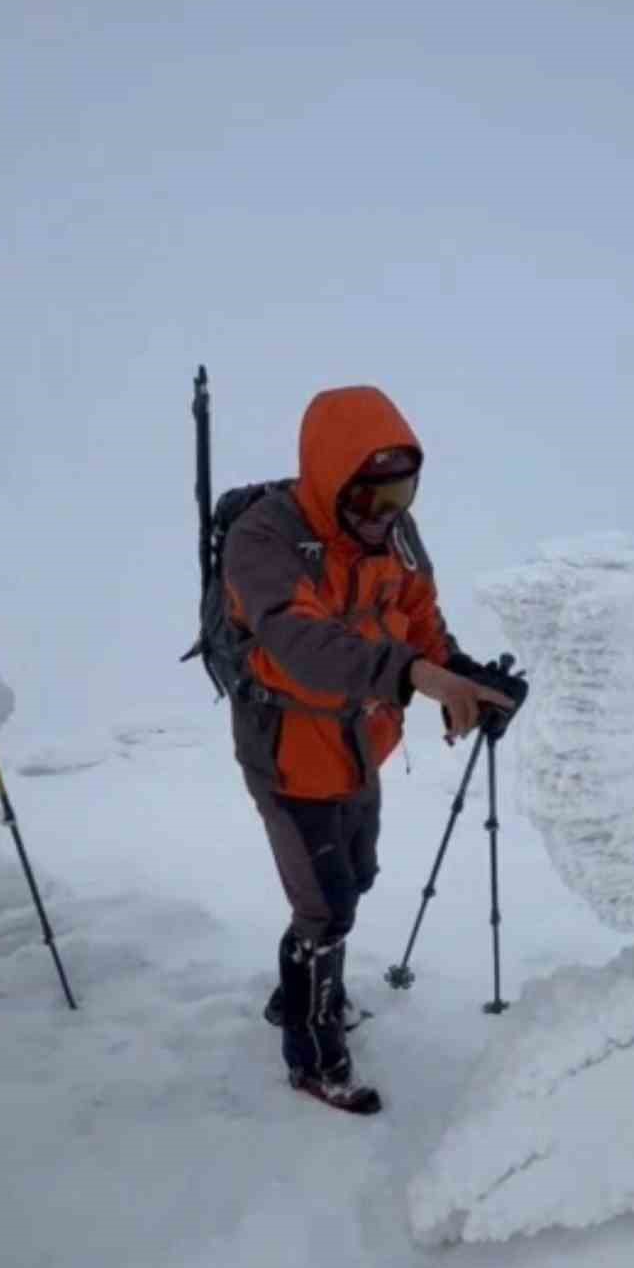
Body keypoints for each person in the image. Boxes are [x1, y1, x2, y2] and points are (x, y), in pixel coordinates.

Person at [221, 384, 514, 1114]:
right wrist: (414, 675)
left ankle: (296, 994)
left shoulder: (397, 535)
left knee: (355, 878)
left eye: (403, 493)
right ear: (330, 480)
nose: (389, 515)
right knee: (325, 910)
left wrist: (468, 679)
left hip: (359, 747)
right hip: (289, 752)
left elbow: (419, 619)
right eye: (373, 498)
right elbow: (301, 644)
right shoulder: (264, 541)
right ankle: (314, 1055)